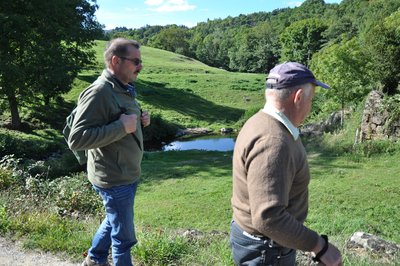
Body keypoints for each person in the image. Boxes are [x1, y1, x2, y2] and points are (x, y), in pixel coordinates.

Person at [230, 62, 342, 266]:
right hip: (267, 252)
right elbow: (269, 217)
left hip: (260, 244)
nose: (311, 105)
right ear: (298, 97)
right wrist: (319, 246)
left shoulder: (259, 121)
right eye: (312, 98)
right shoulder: (274, 141)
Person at [68, 38, 150, 266]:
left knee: (114, 219)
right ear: (116, 60)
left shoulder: (123, 88)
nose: (140, 66)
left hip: (126, 172)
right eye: (136, 61)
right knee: (123, 239)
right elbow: (77, 139)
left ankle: (94, 259)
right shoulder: (99, 92)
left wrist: (141, 121)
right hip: (114, 177)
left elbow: (123, 118)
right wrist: (121, 127)